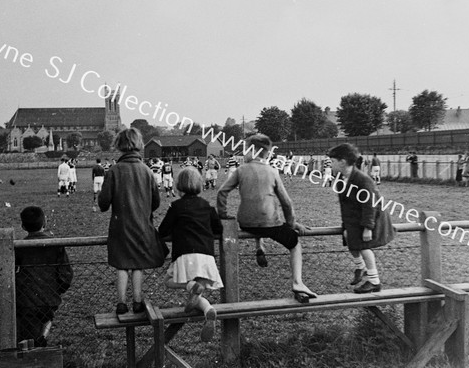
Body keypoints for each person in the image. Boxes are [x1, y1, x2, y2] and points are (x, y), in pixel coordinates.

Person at [217, 134, 317, 303]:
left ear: (254, 150)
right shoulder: (272, 171)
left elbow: (222, 192)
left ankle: (260, 245)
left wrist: (223, 215)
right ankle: (298, 282)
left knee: (259, 219)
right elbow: (286, 202)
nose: (243, 154)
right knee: (294, 244)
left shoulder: (241, 170)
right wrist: (291, 224)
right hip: (269, 224)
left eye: (245, 149)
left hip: (246, 223)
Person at [98, 128, 167, 314]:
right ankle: (137, 301)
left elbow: (103, 204)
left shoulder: (113, 171)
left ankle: (121, 302)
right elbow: (156, 202)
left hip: (120, 225)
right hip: (142, 225)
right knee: (138, 263)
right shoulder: (146, 171)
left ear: (119, 145)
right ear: (139, 144)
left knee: (121, 264)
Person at [158, 167, 223, 342]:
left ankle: (190, 286)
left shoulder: (176, 206)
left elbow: (163, 230)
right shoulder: (207, 206)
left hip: (185, 254)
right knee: (196, 295)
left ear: (178, 186)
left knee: (168, 281)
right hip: (206, 256)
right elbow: (219, 229)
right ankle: (209, 310)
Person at [328, 143, 396, 294]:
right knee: (349, 238)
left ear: (343, 162)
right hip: (354, 218)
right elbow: (346, 205)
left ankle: (374, 281)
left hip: (370, 217)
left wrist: (367, 228)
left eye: (332, 161)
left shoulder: (362, 180)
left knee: (364, 246)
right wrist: (346, 225)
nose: (330, 164)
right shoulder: (341, 178)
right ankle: (360, 267)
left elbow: (370, 205)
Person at [15, 206, 73, 347]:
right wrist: (56, 290)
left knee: (26, 327)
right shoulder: (55, 245)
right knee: (47, 315)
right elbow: (66, 274)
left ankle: (31, 344)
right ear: (45, 223)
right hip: (49, 298)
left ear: (23, 226)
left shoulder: (19, 247)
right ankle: (41, 338)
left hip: (26, 299)